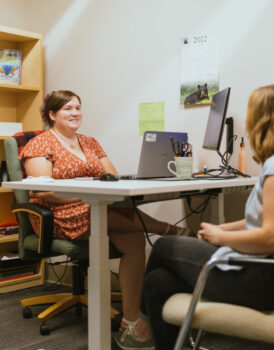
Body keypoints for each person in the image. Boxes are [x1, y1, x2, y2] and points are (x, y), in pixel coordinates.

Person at [126, 84, 274, 350]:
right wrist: (224, 229)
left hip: (267, 280)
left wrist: (221, 237)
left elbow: (270, 237)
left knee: (165, 245)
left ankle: (141, 329)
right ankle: (151, 331)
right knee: (157, 282)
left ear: (263, 120)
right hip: (271, 273)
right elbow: (268, 220)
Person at [19, 90, 193, 350]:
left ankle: (130, 321)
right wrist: (87, 195)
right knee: (107, 210)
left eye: (78, 107)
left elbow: (112, 177)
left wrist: (95, 194)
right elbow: (44, 191)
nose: (75, 112)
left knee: (134, 240)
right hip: (57, 214)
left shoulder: (90, 142)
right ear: (52, 115)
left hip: (95, 207)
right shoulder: (40, 144)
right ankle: (169, 229)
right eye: (67, 108)